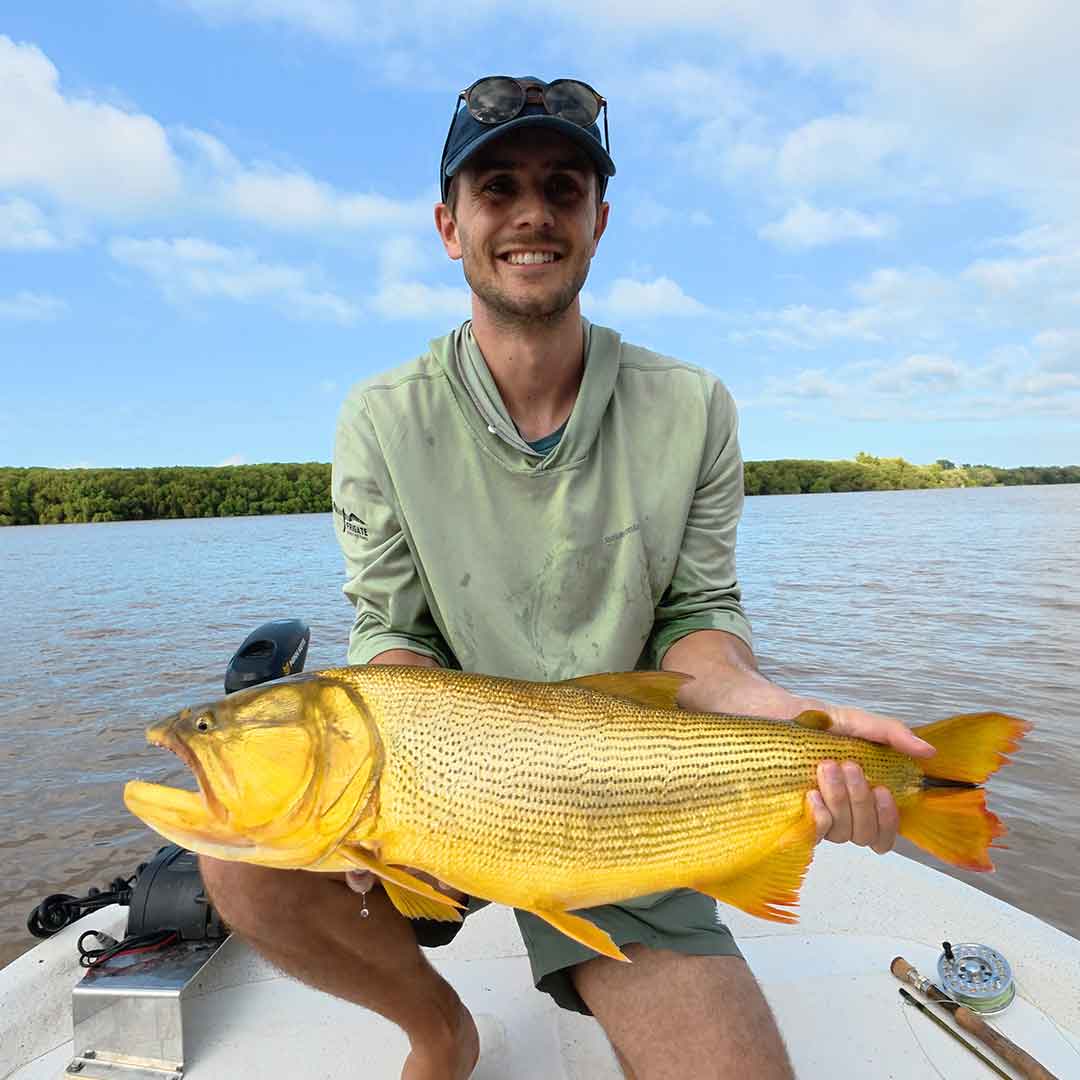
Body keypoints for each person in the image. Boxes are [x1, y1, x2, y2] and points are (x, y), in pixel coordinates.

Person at [199, 75, 935, 1080]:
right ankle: (438, 1031)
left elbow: (699, 620)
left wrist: (779, 711)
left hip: (621, 807)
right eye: (497, 188)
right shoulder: (379, 418)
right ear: (449, 225)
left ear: (599, 220)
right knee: (236, 857)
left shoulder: (695, 407)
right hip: (441, 796)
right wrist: (374, 797)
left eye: (564, 186)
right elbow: (393, 632)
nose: (531, 212)